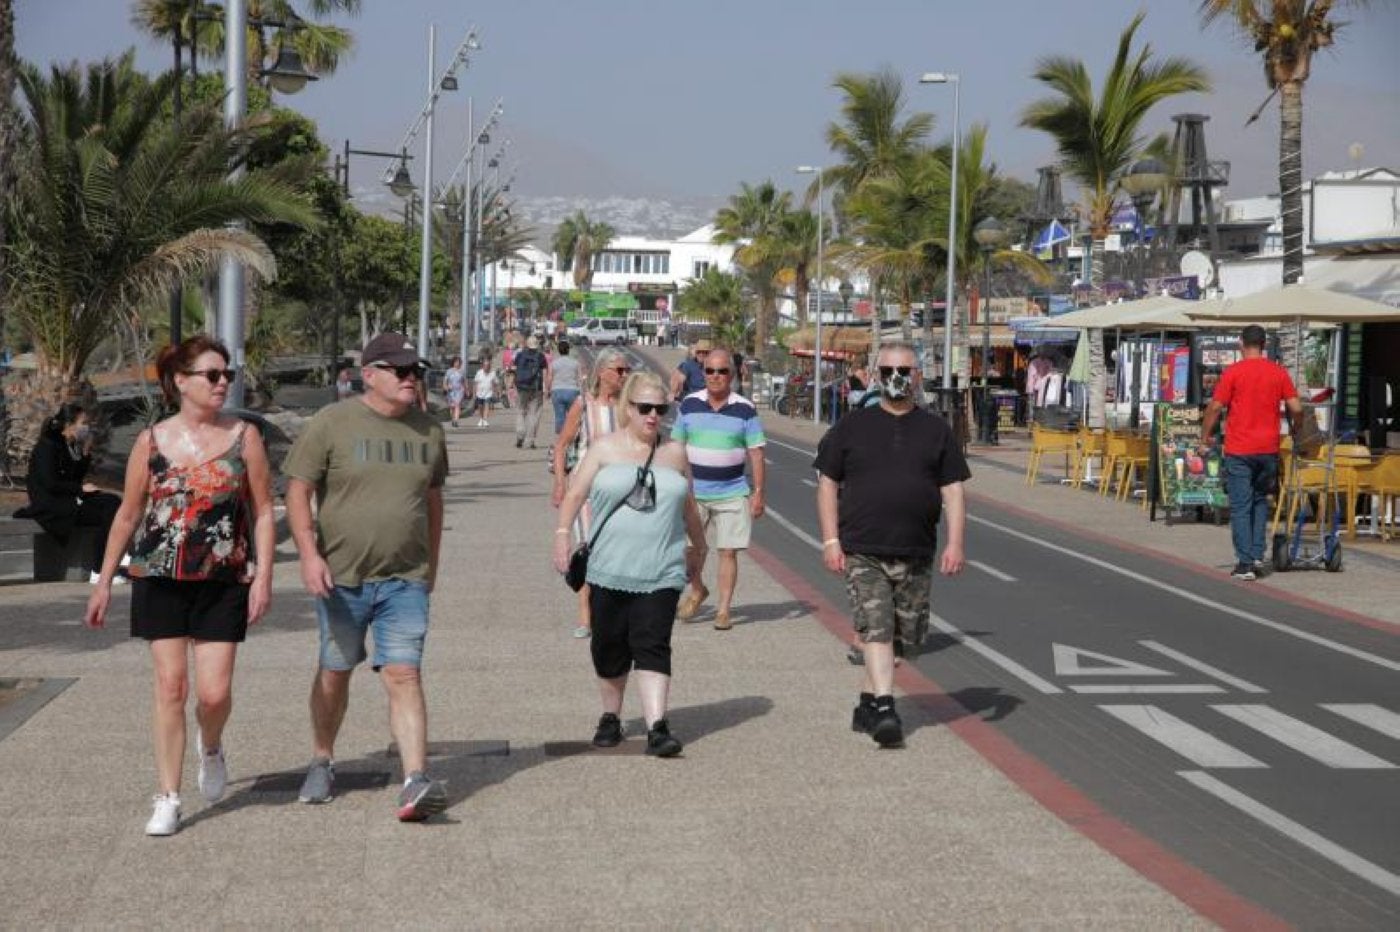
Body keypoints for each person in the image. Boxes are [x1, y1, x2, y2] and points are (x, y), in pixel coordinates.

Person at [84, 336, 276, 836]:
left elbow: (261, 511)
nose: (222, 383)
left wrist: (264, 576)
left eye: (227, 374)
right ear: (180, 382)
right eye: (212, 375)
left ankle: (210, 746)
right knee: (171, 687)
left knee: (213, 694)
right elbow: (128, 514)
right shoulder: (151, 442)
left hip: (223, 578)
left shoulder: (244, 438)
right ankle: (168, 795)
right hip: (159, 577)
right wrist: (104, 581)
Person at [283, 331, 451, 822]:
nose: (411, 379)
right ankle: (322, 758)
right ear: (369, 375)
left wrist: (432, 565)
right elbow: (298, 491)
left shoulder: (429, 430)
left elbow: (433, 500)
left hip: (406, 577)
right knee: (335, 671)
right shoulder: (332, 423)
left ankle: (415, 779)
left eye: (415, 371)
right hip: (341, 577)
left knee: (404, 673)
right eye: (401, 371)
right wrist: (309, 555)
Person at [814, 343, 969, 748]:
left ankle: (867, 704)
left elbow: (953, 489)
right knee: (877, 628)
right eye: (888, 371)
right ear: (874, 375)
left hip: (916, 550)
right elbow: (827, 483)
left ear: (918, 375)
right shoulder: (852, 426)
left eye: (904, 370)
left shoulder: (936, 430)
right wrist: (831, 540)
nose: (896, 378)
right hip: (863, 549)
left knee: (902, 640)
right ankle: (886, 708)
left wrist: (955, 543)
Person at [552, 370, 707, 757]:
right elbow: (575, 494)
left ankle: (657, 727)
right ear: (629, 408)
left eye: (660, 409)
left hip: (662, 569)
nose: (653, 416)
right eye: (645, 408)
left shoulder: (675, 453)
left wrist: (698, 547)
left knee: (653, 644)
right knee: (609, 647)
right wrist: (562, 535)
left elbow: (689, 507)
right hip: (609, 568)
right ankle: (611, 716)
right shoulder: (604, 449)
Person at [670, 347, 766, 631]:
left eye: (722, 371)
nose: (715, 376)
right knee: (689, 551)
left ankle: (723, 610)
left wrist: (758, 493)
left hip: (732, 492)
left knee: (728, 551)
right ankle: (698, 589)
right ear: (703, 373)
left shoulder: (745, 408)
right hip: (693, 493)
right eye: (710, 370)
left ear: (732, 375)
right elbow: (676, 447)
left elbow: (756, 453)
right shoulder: (689, 404)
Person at [1199, 324, 1304, 581]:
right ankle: (1257, 555)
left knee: (1240, 506)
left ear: (1241, 344)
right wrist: (1296, 429)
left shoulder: (1233, 372)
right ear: (1264, 345)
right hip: (1268, 449)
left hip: (1239, 449)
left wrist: (1205, 437)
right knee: (1259, 502)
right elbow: (1297, 408)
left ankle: (1245, 563)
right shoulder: (1278, 372)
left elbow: (1215, 407)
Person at [552, 347, 630, 638]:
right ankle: (586, 615)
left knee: (618, 549)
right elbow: (561, 445)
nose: (624, 375)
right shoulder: (583, 405)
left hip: (621, 489)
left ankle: (614, 610)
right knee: (589, 548)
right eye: (619, 370)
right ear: (602, 372)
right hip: (586, 489)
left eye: (627, 370)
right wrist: (560, 483)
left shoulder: (628, 407)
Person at [20, 404, 124, 583]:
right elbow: (50, 483)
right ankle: (99, 569)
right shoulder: (48, 446)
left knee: (112, 501)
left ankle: (113, 560)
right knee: (106, 512)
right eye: (83, 423)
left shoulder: (68, 445)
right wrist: (80, 490)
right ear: (68, 425)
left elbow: (74, 477)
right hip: (51, 505)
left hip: (67, 499)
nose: (87, 428)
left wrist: (86, 453)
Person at [512, 335, 548, 449]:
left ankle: (520, 434)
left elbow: (514, 369)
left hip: (521, 387)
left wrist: (513, 384)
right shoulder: (541, 356)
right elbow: (545, 373)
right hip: (536, 388)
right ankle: (530, 441)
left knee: (521, 411)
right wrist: (546, 388)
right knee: (534, 414)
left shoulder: (520, 355)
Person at [546, 339, 584, 443]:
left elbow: (550, 377)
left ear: (558, 350)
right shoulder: (575, 363)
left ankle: (561, 438)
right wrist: (582, 392)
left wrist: (548, 390)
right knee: (574, 416)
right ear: (568, 350)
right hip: (572, 391)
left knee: (559, 416)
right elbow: (580, 378)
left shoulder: (554, 363)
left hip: (557, 391)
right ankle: (574, 436)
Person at [473, 355, 498, 427]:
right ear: (483, 366)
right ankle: (481, 418)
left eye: (488, 366)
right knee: (480, 407)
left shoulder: (493, 373)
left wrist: (496, 392)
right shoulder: (479, 373)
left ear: (489, 366)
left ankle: (485, 419)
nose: (486, 367)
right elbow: (475, 383)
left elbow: (495, 383)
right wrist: (474, 393)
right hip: (479, 393)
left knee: (487, 405)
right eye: (485, 366)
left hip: (488, 393)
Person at [443, 356, 467, 428]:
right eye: (456, 362)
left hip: (459, 390)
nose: (457, 363)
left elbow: (464, 381)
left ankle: (456, 420)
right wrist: (445, 387)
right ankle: (453, 419)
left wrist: (466, 389)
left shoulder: (462, 371)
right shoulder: (449, 371)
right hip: (451, 391)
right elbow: (445, 380)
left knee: (457, 405)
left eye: (459, 362)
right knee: (452, 407)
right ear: (453, 362)